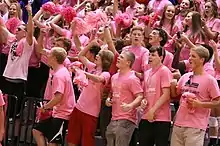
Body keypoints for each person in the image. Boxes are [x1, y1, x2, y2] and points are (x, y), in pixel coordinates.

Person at [170, 45, 220, 146]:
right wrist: (173, 86)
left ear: (202, 60)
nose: (189, 58)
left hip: (196, 126)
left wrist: (199, 104)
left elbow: (218, 102)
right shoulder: (185, 76)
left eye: (193, 56)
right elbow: (175, 95)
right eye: (189, 55)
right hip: (178, 123)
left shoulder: (210, 80)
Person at [67, 40, 114, 146]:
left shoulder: (106, 74)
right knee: (72, 139)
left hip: (91, 113)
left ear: (105, 60)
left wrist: (84, 73)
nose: (97, 56)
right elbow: (81, 55)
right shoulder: (92, 67)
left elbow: (98, 79)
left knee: (87, 141)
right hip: (78, 107)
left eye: (100, 55)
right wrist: (90, 44)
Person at [32, 47, 76, 146]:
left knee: (53, 143)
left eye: (50, 55)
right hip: (58, 112)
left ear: (55, 58)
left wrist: (45, 107)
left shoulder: (59, 75)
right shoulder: (60, 72)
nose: (47, 56)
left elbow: (58, 97)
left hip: (63, 114)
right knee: (37, 130)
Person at [105, 50, 144, 146]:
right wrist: (108, 100)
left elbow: (140, 96)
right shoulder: (114, 77)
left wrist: (130, 105)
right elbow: (111, 92)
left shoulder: (133, 78)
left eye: (121, 57)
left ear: (128, 62)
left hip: (127, 119)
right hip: (113, 118)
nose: (118, 58)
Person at [138, 46, 172, 146]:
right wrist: (143, 101)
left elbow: (166, 94)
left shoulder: (164, 71)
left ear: (161, 57)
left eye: (153, 55)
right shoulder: (147, 73)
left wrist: (152, 110)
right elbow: (146, 92)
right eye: (149, 55)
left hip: (161, 118)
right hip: (146, 115)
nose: (150, 57)